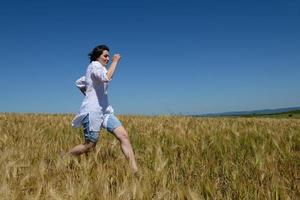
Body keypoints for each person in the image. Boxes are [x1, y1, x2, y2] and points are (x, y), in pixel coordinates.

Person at [69, 44, 138, 173]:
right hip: (93, 112)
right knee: (90, 145)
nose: (108, 58)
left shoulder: (99, 69)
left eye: (109, 56)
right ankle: (64, 157)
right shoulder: (94, 66)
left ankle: (134, 170)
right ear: (97, 57)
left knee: (123, 135)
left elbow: (80, 82)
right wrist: (115, 61)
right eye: (105, 56)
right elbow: (106, 78)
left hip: (105, 111)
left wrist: (89, 91)